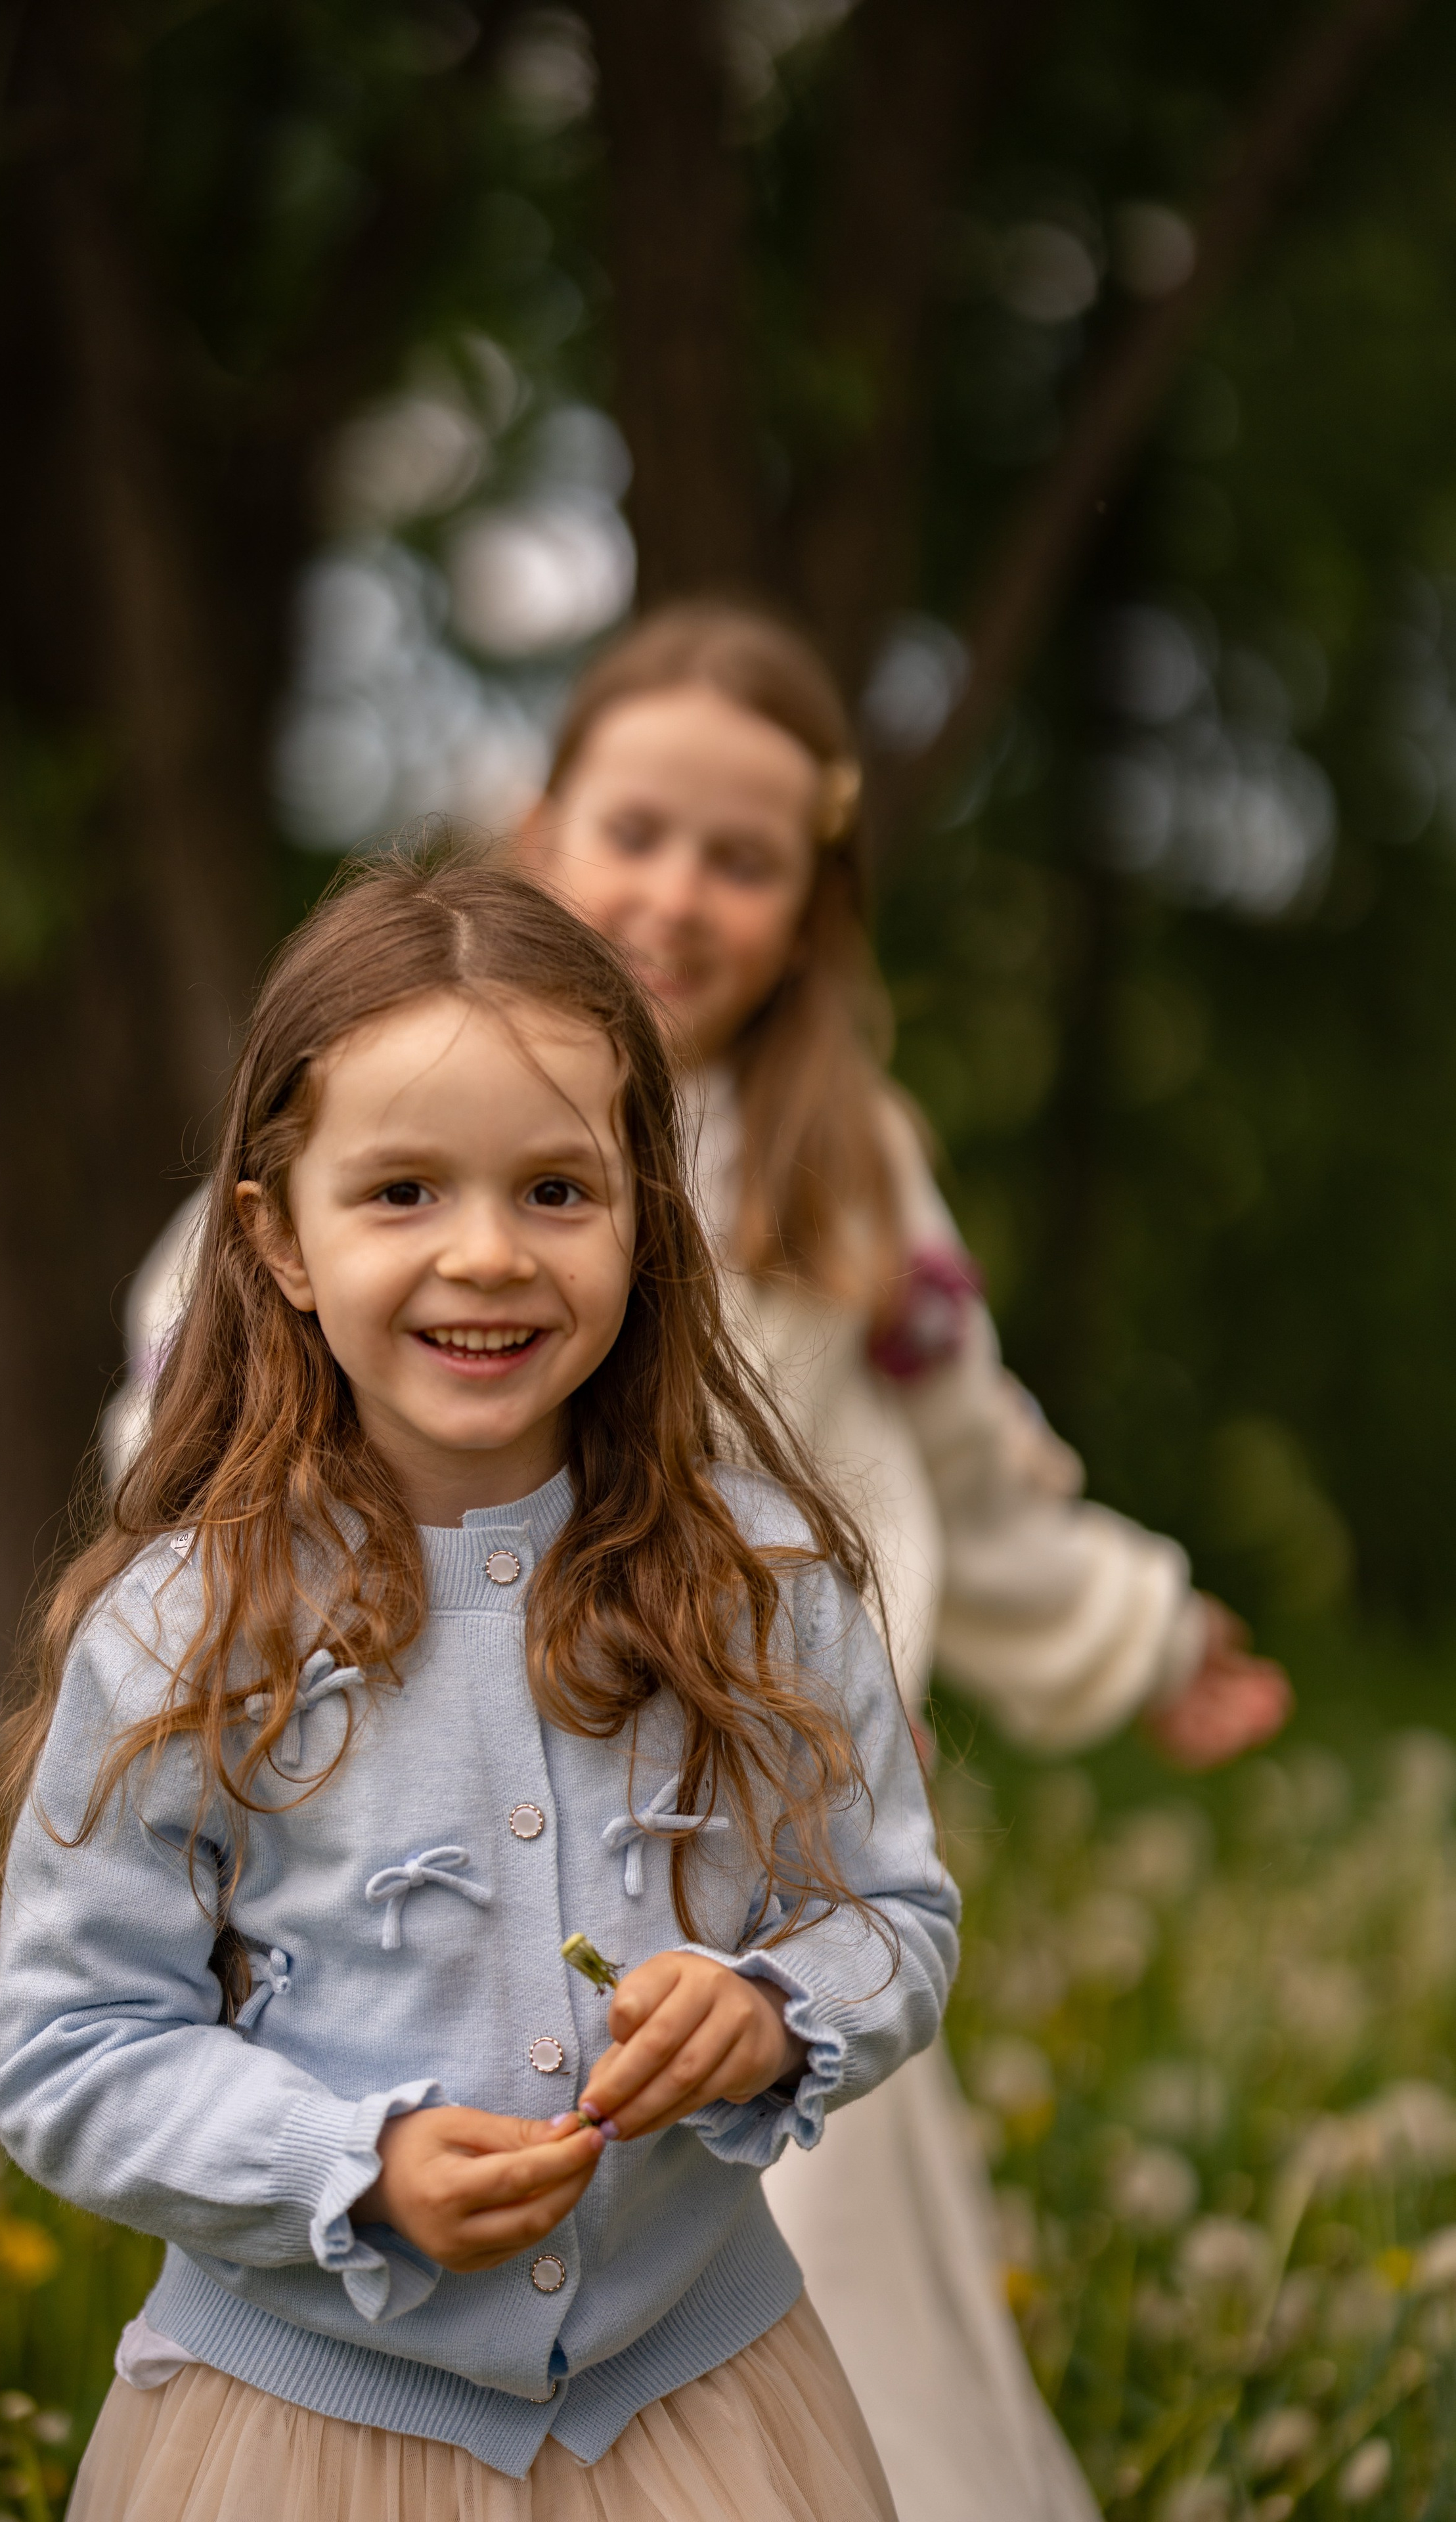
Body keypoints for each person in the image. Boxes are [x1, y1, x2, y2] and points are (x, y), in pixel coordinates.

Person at [0, 858, 958, 2522]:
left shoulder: (764, 1576)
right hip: (302, 2433)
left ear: (646, 1212)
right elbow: (69, 2051)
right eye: (404, 1193)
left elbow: (893, 1915)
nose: (488, 1255)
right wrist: (344, 2170)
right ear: (278, 1236)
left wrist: (773, 2011)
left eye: (556, 1193)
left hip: (699, 2405)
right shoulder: (181, 1635)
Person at [509, 600, 1293, 2522]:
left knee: (814, 2326)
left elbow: (970, 1462)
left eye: (744, 858)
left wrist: (1136, 1620)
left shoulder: (838, 1159)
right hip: (455, 1824)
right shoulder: (417, 1080)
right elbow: (216, 1345)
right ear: (545, 831)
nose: (677, 895)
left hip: (769, 1860)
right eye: (637, 833)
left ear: (815, 898)